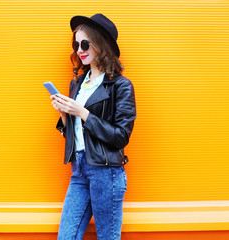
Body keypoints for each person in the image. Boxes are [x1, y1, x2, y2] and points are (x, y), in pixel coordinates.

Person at [50, 13, 137, 240]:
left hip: (106, 173)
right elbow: (76, 135)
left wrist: (82, 112)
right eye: (76, 44)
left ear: (101, 44)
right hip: (79, 170)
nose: (80, 49)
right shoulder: (78, 83)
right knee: (66, 237)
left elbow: (120, 136)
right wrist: (64, 113)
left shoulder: (121, 86)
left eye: (85, 43)